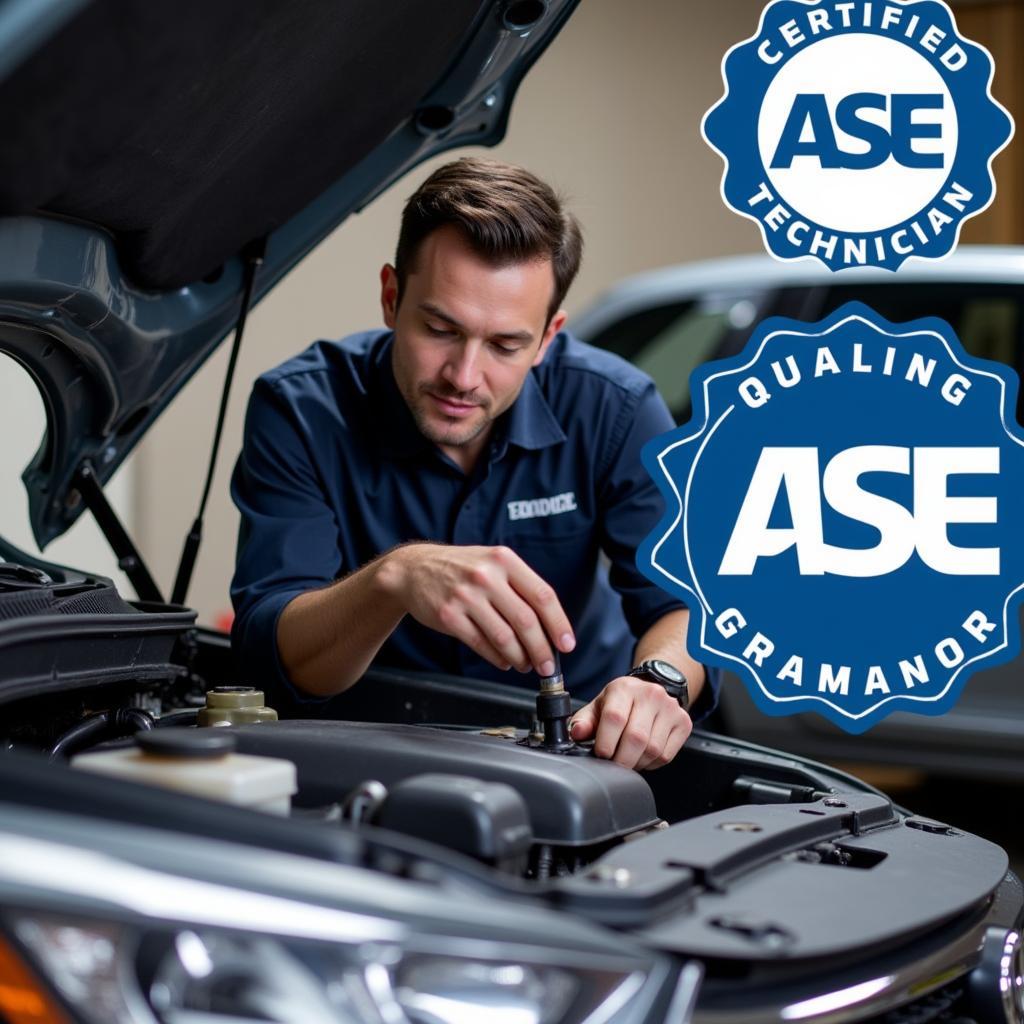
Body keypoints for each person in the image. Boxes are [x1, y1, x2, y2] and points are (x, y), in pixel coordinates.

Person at [230, 157, 717, 771]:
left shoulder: (616, 409)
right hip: (365, 750)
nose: (463, 377)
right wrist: (396, 579)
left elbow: (689, 603)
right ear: (391, 297)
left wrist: (658, 683)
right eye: (439, 328)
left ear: (547, 336)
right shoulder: (301, 410)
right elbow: (272, 653)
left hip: (573, 755)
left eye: (506, 345)